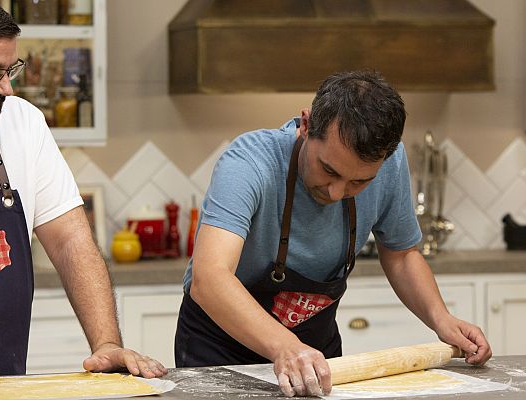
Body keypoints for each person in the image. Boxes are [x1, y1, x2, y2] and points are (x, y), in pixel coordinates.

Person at [174, 70, 492, 397]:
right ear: (306, 125)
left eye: (359, 182)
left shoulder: (391, 163)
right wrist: (285, 346)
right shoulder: (250, 162)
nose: (338, 192)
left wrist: (441, 319)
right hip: (221, 351)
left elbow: (401, 255)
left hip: (312, 355)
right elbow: (210, 278)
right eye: (329, 170)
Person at [0, 0, 166, 386]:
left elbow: (70, 241)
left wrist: (107, 342)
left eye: (9, 69)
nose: (6, 88)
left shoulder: (22, 124)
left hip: (5, 387)